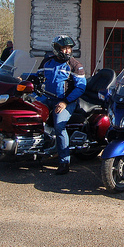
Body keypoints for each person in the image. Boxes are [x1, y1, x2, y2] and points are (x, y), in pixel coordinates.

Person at [38, 35, 86, 175]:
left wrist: (65, 102)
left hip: (65, 101)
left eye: (69, 48)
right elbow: (37, 77)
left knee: (59, 126)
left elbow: (80, 87)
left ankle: (64, 162)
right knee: (31, 115)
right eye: (64, 48)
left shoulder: (75, 65)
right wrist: (23, 79)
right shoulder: (47, 62)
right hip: (47, 97)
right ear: (56, 49)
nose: (67, 51)